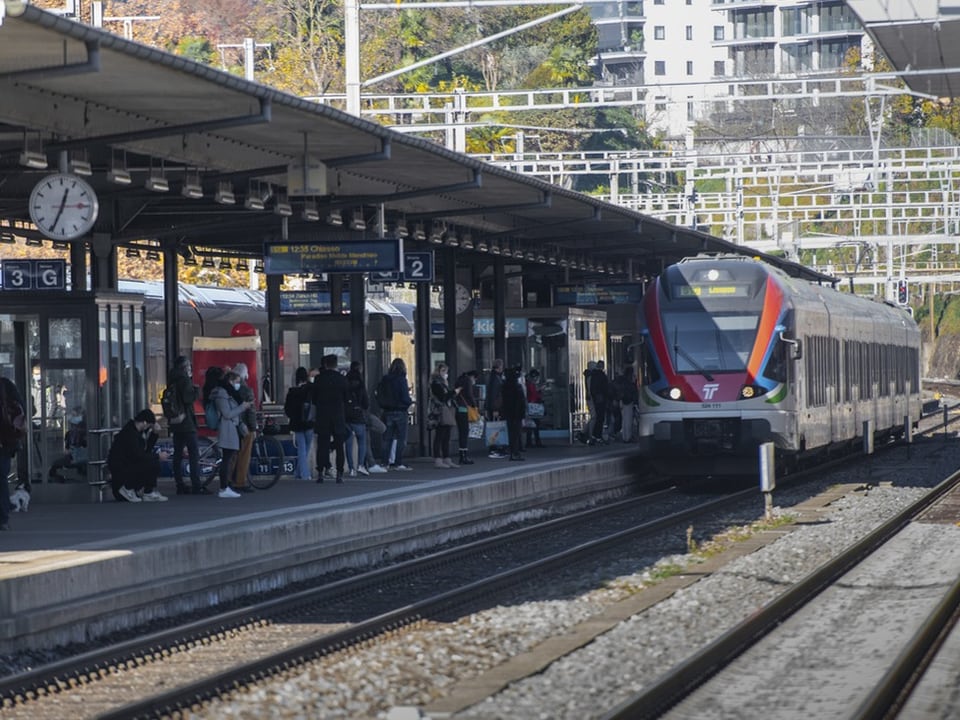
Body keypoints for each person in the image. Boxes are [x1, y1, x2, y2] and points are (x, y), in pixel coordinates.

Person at [108, 409, 169, 503]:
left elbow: (145, 452)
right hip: (122, 477)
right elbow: (138, 456)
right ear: (144, 423)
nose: (149, 428)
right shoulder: (130, 434)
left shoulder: (134, 431)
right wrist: (157, 456)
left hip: (125, 471)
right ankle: (129, 489)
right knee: (152, 462)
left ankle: (146, 492)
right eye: (149, 426)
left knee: (152, 461)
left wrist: (154, 434)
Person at [210, 369, 252, 499]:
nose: (238, 385)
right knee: (227, 459)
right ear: (230, 381)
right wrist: (242, 407)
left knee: (229, 458)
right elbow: (227, 414)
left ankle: (226, 486)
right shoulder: (222, 394)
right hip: (227, 428)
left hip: (232, 428)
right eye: (237, 382)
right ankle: (224, 487)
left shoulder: (228, 392)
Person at [166, 356, 204, 495]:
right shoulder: (184, 380)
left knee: (178, 454)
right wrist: (196, 390)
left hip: (176, 421)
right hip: (187, 422)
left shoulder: (172, 379)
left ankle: (179, 484)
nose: (190, 368)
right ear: (184, 367)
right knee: (194, 453)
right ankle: (196, 484)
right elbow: (189, 398)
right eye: (188, 365)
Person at [311, 354, 349, 483]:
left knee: (322, 445)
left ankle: (321, 472)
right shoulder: (342, 379)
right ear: (336, 364)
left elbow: (314, 399)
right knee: (339, 446)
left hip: (323, 416)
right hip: (338, 415)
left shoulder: (319, 379)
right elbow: (346, 397)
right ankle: (339, 473)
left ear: (325, 364)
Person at [378, 357, 413, 471]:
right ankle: (398, 462)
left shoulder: (385, 379)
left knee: (387, 438)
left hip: (387, 411)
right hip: (400, 411)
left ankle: (385, 462)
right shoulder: (401, 379)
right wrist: (408, 403)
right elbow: (405, 397)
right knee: (401, 438)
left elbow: (379, 394)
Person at [0, 374, 25, 530]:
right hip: (6, 442)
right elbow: (23, 409)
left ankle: (3, 515)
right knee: (2, 479)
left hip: (5, 441)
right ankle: (3, 517)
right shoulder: (6, 385)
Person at [230, 362, 258, 493]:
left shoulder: (229, 388)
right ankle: (240, 481)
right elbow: (251, 411)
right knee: (244, 454)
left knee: (233, 454)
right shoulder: (247, 390)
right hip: (245, 427)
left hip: (232, 424)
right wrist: (253, 428)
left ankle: (229, 479)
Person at [284, 366, 315, 481]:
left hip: (297, 424)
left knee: (301, 448)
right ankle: (304, 474)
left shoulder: (292, 392)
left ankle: (299, 472)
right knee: (306, 448)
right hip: (309, 423)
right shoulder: (311, 389)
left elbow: (287, 409)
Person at [429, 361, 458, 468]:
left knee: (446, 436)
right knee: (440, 435)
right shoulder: (436, 383)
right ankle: (438, 458)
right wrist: (454, 392)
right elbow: (443, 397)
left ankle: (446, 458)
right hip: (440, 411)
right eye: (443, 370)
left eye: (446, 371)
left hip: (447, 410)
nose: (445, 373)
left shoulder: (444, 382)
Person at [344, 361, 370, 477]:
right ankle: (360, 465)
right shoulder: (360, 384)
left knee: (348, 443)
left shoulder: (345, 382)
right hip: (358, 416)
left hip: (347, 417)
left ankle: (351, 468)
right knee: (362, 441)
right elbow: (366, 403)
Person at [48, 406, 88, 481]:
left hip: (83, 458)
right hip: (73, 457)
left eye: (75, 415)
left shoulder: (86, 433)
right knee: (55, 465)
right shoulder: (69, 434)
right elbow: (68, 448)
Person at [501, 364, 527, 461]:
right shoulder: (517, 387)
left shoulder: (504, 386)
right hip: (517, 414)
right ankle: (515, 453)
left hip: (508, 413)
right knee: (516, 434)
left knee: (511, 434)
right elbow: (521, 402)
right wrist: (522, 414)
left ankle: (512, 452)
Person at [453, 369, 479, 465]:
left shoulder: (459, 380)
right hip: (464, 409)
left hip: (458, 409)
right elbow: (469, 395)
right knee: (464, 432)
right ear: (473, 377)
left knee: (461, 432)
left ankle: (462, 454)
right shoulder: (467, 381)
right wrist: (474, 404)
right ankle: (463, 456)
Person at [485, 359, 508, 459]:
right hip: (496, 407)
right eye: (501, 366)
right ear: (498, 367)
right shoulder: (496, 378)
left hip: (495, 407)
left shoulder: (494, 377)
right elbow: (494, 394)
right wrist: (495, 408)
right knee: (496, 427)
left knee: (495, 427)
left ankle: (496, 447)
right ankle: (495, 448)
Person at [615, 365, 639, 442]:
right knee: (628, 420)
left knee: (624, 420)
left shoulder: (621, 381)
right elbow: (632, 391)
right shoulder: (628, 382)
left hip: (622, 401)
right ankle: (628, 437)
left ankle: (625, 436)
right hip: (628, 401)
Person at [524, 369, 545, 449]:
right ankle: (536, 441)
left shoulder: (528, 384)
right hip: (533, 406)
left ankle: (530, 441)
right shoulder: (531, 385)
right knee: (535, 425)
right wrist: (539, 391)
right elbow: (534, 395)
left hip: (531, 405)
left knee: (531, 424)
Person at [591, 360, 610, 444]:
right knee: (600, 418)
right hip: (601, 399)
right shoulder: (601, 376)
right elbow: (605, 388)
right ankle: (597, 435)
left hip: (597, 399)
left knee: (599, 417)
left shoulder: (593, 376)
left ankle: (596, 435)